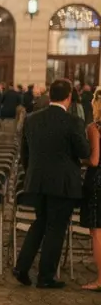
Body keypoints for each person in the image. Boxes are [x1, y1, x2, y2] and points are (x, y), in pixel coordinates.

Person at [13, 78, 89, 290]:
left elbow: (24, 154)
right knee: (56, 228)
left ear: (50, 95)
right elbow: (84, 152)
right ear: (69, 97)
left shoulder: (32, 119)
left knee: (39, 223)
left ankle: (22, 267)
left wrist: (32, 174)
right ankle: (46, 277)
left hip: (37, 181)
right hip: (63, 184)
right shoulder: (73, 122)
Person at [79, 91, 101, 291]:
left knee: (97, 232)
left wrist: (80, 160)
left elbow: (94, 160)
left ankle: (100, 279)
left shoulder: (95, 128)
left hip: (98, 182)